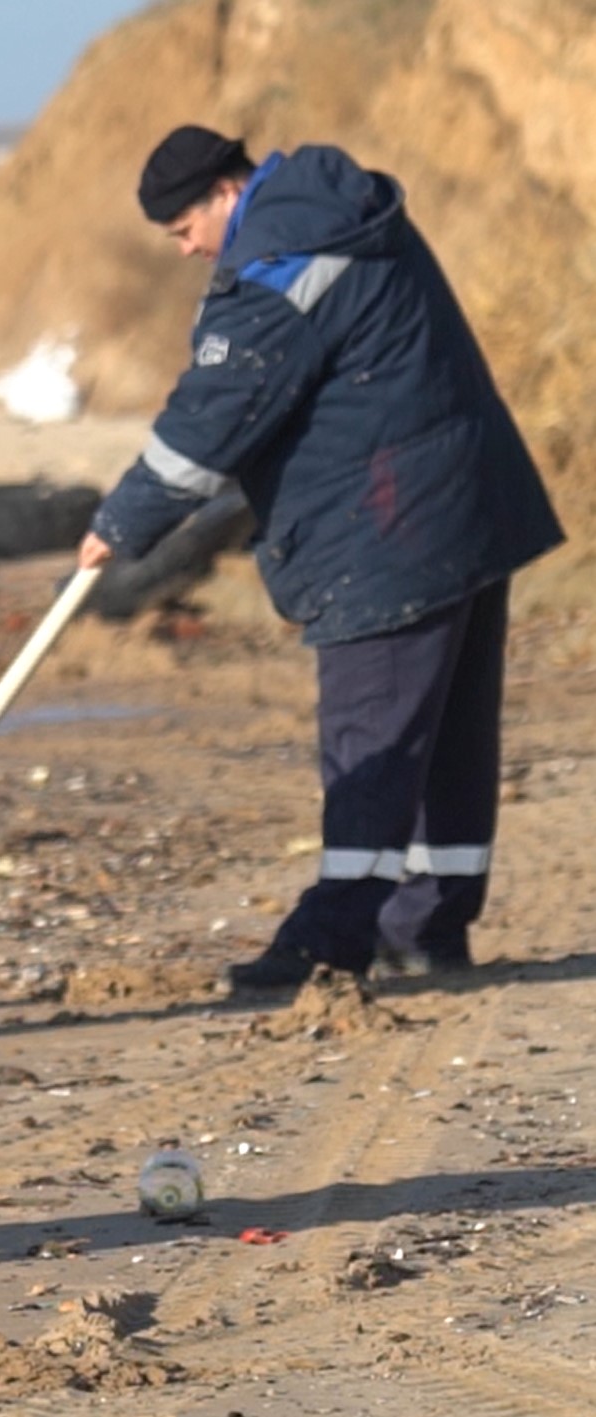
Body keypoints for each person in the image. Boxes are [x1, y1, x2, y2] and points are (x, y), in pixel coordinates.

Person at [79, 126, 564, 991]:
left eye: (183, 230)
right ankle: (426, 924)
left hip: (388, 526)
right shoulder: (347, 218)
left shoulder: (280, 260)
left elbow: (216, 414)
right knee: (446, 734)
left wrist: (123, 521)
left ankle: (332, 936)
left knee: (370, 738)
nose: (188, 251)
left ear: (223, 195)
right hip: (464, 503)